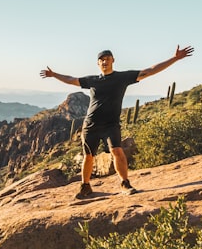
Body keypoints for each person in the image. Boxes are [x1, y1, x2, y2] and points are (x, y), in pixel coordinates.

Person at [40, 45, 193, 198]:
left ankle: (125, 183)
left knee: (117, 151)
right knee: (88, 156)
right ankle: (85, 186)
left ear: (113, 60)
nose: (104, 62)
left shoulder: (122, 77)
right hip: (91, 125)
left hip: (111, 125)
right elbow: (71, 80)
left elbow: (150, 71)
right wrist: (53, 74)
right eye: (101, 60)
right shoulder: (92, 80)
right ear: (98, 63)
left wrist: (174, 58)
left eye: (107, 59)